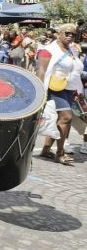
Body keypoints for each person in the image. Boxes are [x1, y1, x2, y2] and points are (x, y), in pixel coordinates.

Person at [37, 23, 83, 165]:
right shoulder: (48, 50)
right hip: (53, 89)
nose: (70, 36)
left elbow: (75, 71)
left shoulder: (73, 50)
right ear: (59, 33)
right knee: (66, 118)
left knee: (59, 119)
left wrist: (79, 90)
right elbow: (41, 71)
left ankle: (45, 150)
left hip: (69, 89)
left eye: (73, 35)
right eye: (67, 33)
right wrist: (40, 92)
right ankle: (60, 153)